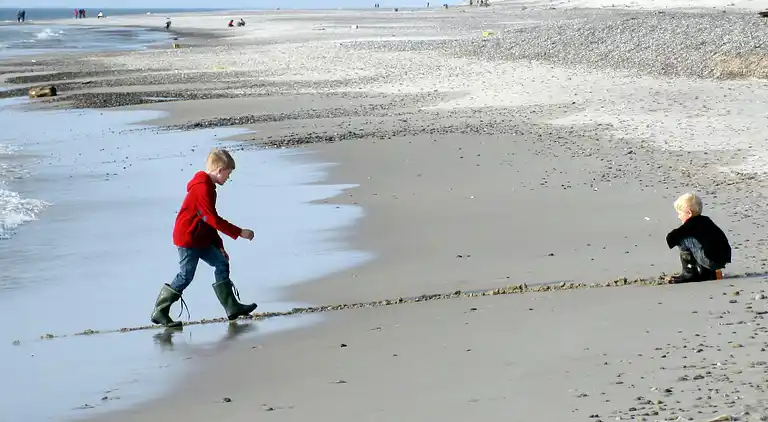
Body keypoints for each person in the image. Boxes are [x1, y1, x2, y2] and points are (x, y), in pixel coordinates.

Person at [150, 148, 258, 328]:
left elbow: (207, 220)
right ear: (219, 170)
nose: (228, 178)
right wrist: (240, 232)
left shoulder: (209, 188)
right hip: (188, 238)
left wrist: (219, 245)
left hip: (201, 237)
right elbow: (212, 219)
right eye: (228, 174)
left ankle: (232, 307)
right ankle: (160, 311)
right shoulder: (202, 188)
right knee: (186, 276)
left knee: (221, 262)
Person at [666, 193, 731, 283]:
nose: (679, 216)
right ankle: (707, 274)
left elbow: (671, 238)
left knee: (682, 239)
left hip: (709, 260)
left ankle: (689, 273)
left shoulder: (691, 225)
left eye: (680, 213)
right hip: (722, 259)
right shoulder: (707, 221)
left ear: (689, 213)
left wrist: (672, 240)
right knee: (701, 242)